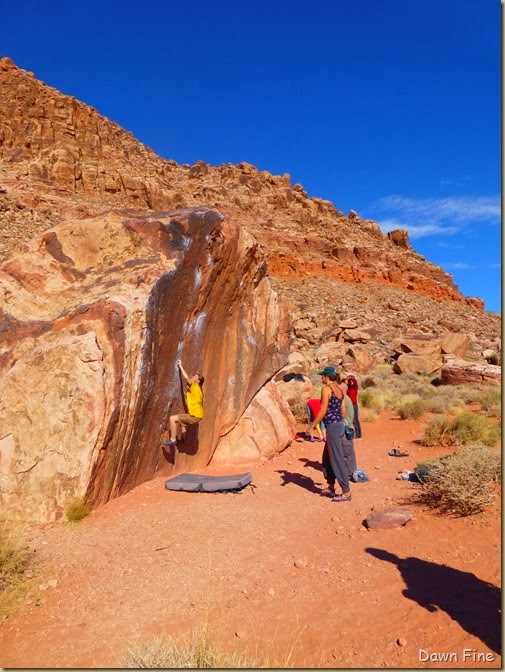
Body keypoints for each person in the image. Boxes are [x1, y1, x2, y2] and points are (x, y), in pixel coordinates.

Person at [307, 365, 351, 502]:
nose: (321, 377)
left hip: (332, 427)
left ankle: (346, 492)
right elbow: (343, 412)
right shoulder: (339, 390)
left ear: (327, 376)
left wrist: (312, 427)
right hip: (339, 425)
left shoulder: (326, 389)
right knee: (327, 458)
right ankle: (331, 487)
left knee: (336, 459)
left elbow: (323, 410)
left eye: (322, 375)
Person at [163, 360, 204, 446]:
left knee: (172, 419)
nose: (193, 376)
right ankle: (183, 438)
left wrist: (181, 366)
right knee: (182, 421)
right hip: (197, 416)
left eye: (195, 376)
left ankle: (173, 440)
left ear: (198, 381)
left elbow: (187, 378)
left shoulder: (195, 387)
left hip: (194, 416)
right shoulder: (198, 390)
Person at [340, 380, 357, 479]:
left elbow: (345, 416)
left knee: (347, 453)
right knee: (348, 452)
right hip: (348, 428)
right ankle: (350, 470)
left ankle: (350, 473)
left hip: (346, 429)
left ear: (342, 390)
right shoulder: (346, 399)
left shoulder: (344, 399)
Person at [344, 374, 362, 439]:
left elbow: (355, 381)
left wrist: (349, 378)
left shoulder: (355, 386)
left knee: (355, 419)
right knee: (350, 418)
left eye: (350, 380)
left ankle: (358, 434)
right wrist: (344, 379)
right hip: (349, 404)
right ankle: (351, 432)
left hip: (354, 404)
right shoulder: (348, 386)